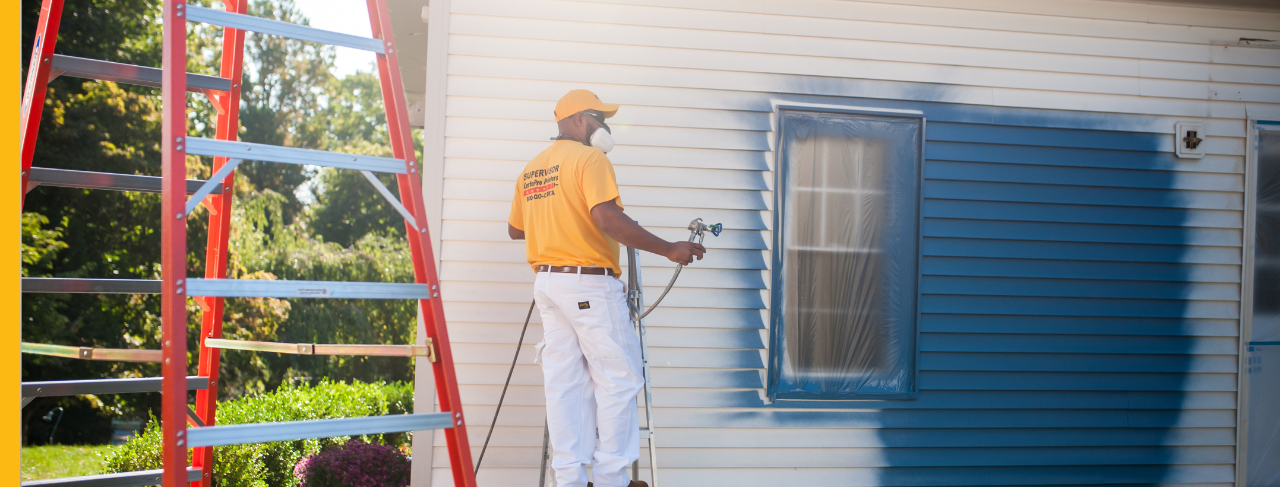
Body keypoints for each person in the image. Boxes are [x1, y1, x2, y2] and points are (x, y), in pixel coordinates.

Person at [508, 89, 706, 487]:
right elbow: (606, 219)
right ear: (580, 120)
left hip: (548, 285)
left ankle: (569, 480)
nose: (605, 127)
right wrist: (669, 249)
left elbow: (516, 229)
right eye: (600, 119)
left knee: (565, 384)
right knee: (619, 378)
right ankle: (612, 478)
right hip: (588, 285)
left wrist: (557, 217)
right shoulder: (590, 158)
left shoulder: (533, 168)